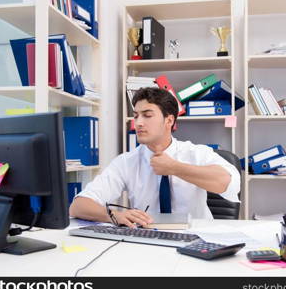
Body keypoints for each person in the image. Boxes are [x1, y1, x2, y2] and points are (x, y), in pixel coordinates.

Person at [69, 87, 240, 228]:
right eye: (136, 116)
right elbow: (78, 206)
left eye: (147, 115)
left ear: (169, 120)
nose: (138, 123)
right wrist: (115, 216)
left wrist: (174, 168)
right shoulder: (126, 162)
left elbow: (226, 182)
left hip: (195, 237)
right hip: (147, 238)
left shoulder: (195, 153)